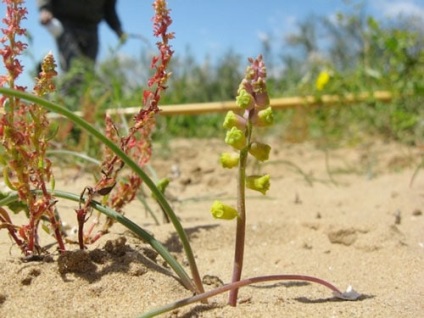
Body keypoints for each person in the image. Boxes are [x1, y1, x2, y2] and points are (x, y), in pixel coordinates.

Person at [37, 0, 126, 72]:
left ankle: (85, 92)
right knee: (73, 64)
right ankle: (71, 91)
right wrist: (44, 8)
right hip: (66, 22)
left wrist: (117, 28)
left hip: (91, 26)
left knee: (89, 67)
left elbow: (109, 8)